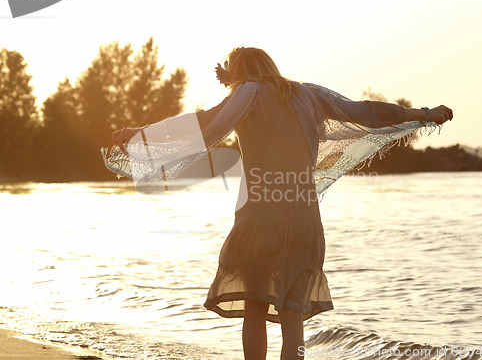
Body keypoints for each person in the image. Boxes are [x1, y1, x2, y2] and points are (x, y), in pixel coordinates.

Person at [109, 47, 453, 360]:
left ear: (240, 74)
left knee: (255, 310)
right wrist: (423, 113)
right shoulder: (311, 95)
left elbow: (204, 124)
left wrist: (140, 136)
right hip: (305, 221)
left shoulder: (247, 92)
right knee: (293, 318)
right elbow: (366, 112)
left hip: (259, 219)